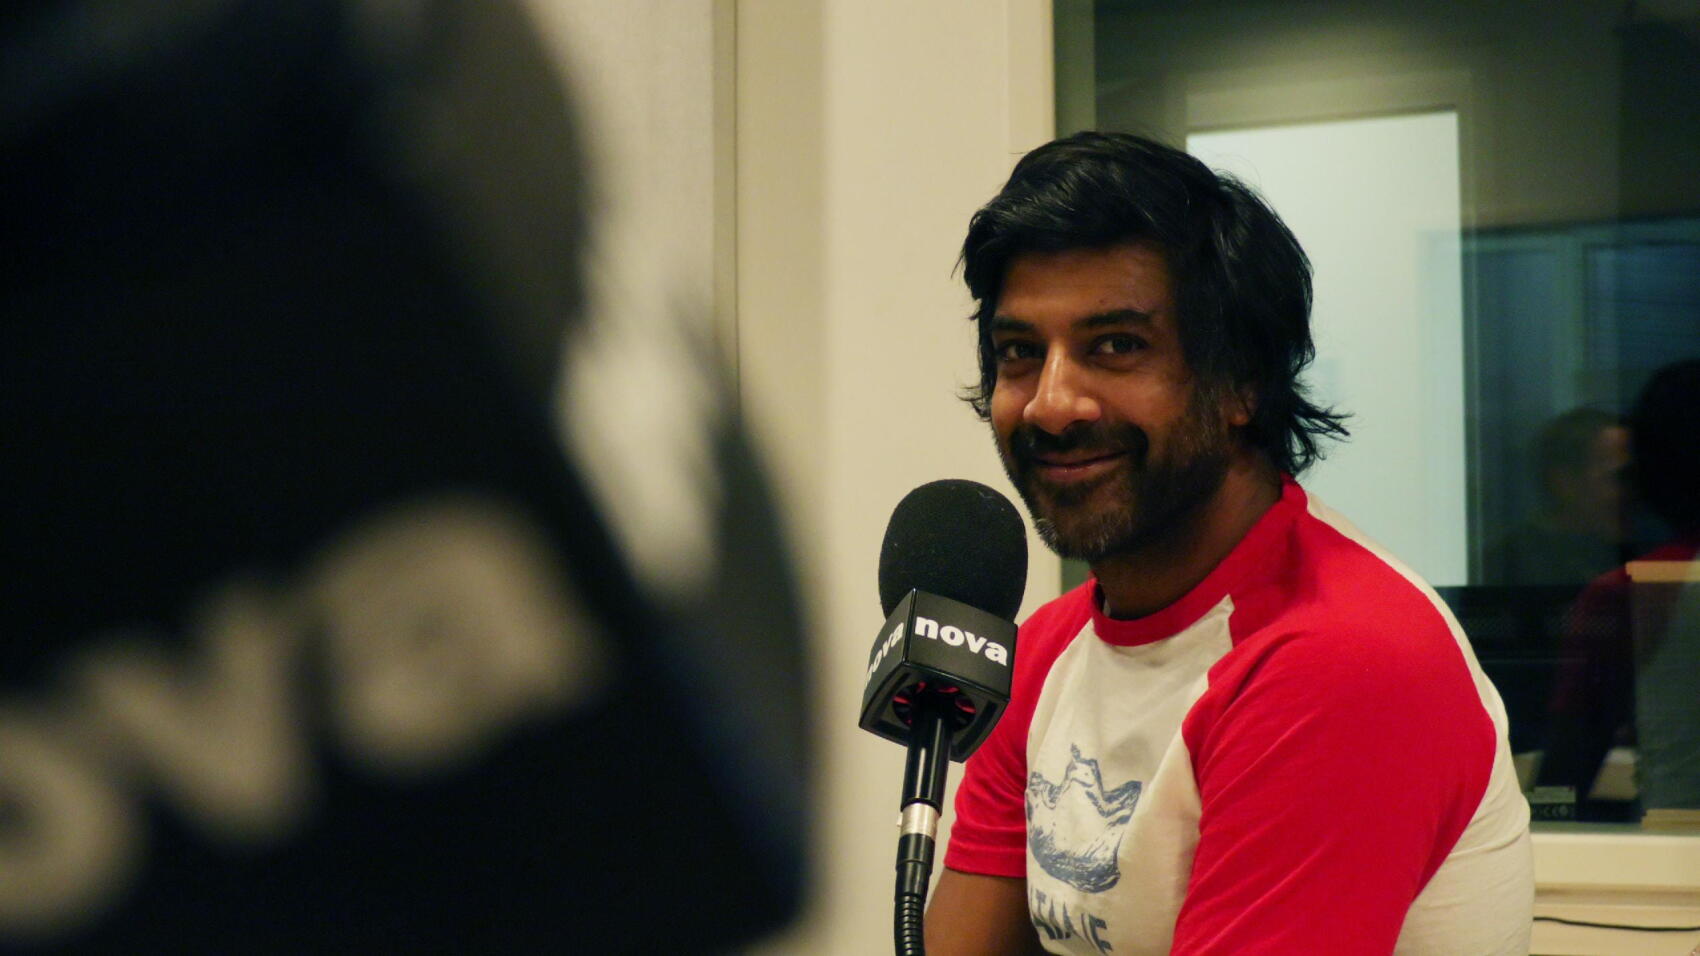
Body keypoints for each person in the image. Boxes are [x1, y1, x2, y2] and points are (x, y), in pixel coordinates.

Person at [924, 132, 1533, 955]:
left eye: (1116, 346)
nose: (1052, 404)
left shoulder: (1339, 657)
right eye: (1020, 353)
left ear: (1243, 380)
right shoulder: (1043, 653)